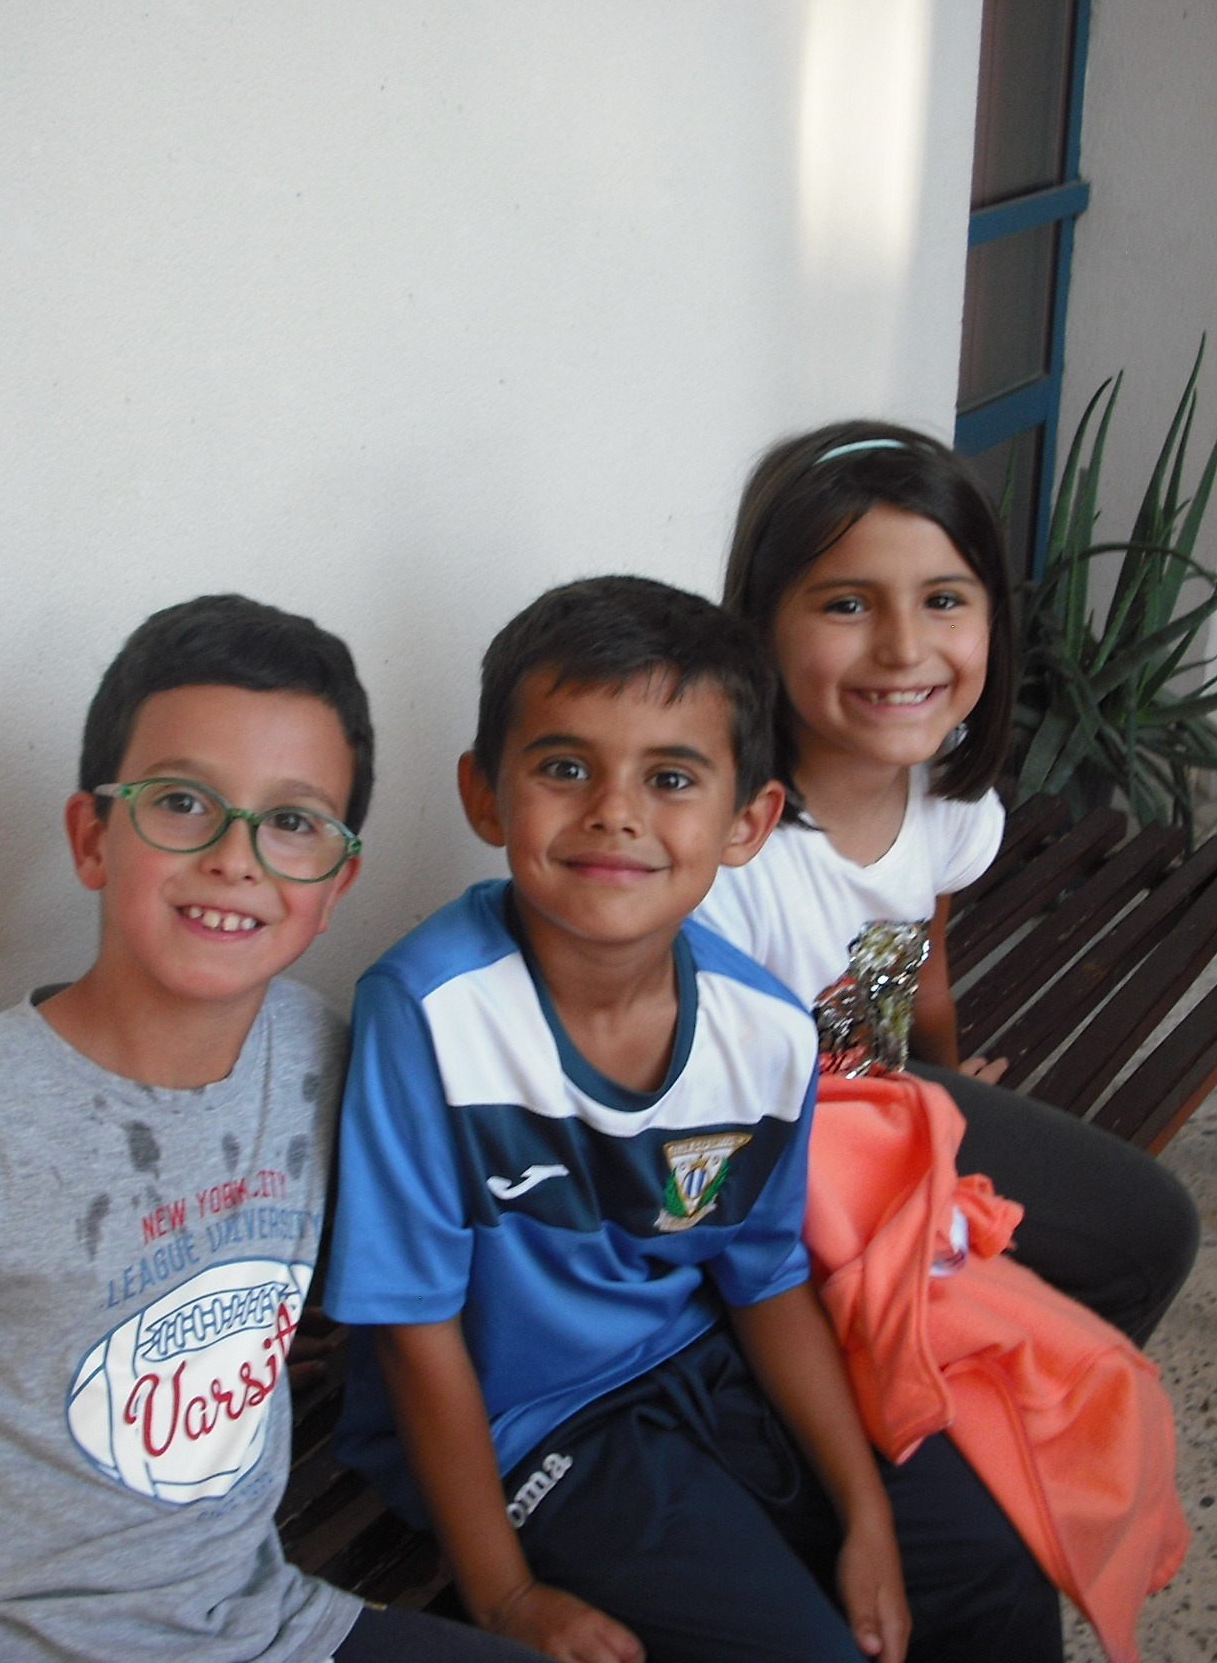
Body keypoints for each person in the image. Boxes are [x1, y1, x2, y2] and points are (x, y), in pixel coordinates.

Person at [0, 595, 543, 1663]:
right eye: (182, 802)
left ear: (337, 881)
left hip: (267, 1624)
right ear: (91, 839)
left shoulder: (324, 1055)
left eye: (293, 822)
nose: (237, 857)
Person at [321, 576, 1062, 1663]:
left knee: (990, 1571)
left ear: (747, 821)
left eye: (670, 778)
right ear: (485, 795)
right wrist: (506, 1596)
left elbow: (763, 1279)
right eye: (564, 768)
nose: (614, 812)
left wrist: (863, 1512)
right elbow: (412, 1329)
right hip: (535, 1427)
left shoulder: (763, 1031)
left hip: (702, 1360)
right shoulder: (431, 1011)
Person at [695, 424, 1199, 1349]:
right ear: (759, 626)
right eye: (848, 604)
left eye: (943, 600)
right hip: (768, 1179)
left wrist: (947, 1080)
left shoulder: (944, 797)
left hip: (881, 1109)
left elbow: (920, 971)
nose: (903, 647)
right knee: (1116, 1249)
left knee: (1152, 1234)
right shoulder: (722, 864)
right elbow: (704, 1138)